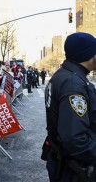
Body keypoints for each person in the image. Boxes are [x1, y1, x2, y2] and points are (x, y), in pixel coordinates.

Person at [43, 32, 96, 182]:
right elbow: (75, 139)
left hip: (66, 164)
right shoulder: (73, 84)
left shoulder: (64, 75)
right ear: (89, 55)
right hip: (74, 170)